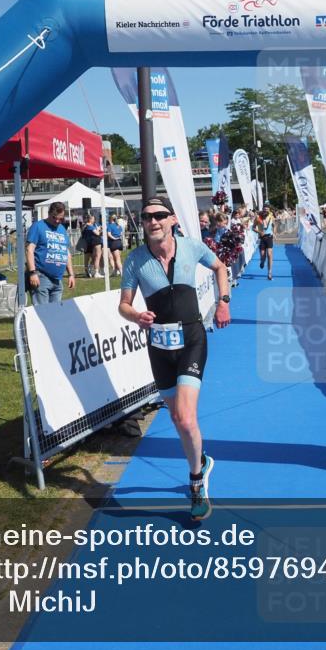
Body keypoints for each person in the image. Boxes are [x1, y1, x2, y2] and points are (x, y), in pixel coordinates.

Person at [119, 197, 231, 521]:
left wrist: (223, 301)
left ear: (171, 220)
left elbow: (220, 267)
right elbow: (123, 305)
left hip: (192, 338)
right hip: (159, 346)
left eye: (159, 216)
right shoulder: (135, 260)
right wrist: (136, 315)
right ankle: (202, 460)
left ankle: (196, 482)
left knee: (184, 417)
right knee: (176, 419)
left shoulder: (191, 247)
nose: (152, 221)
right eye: (146, 217)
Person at [26, 202, 76, 305]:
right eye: (54, 217)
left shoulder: (62, 229)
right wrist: (32, 272)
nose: (57, 221)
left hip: (57, 280)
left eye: (60, 219)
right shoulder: (38, 226)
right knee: (42, 313)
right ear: (49, 213)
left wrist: (71, 274)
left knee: (55, 314)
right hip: (41, 276)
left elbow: (66, 253)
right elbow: (29, 250)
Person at [255, 207, 275, 280]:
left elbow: (274, 225)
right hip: (262, 238)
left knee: (269, 254)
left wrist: (274, 233)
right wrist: (259, 232)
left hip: (269, 237)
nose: (266, 211)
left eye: (267, 209)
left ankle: (269, 273)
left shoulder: (271, 216)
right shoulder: (258, 218)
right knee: (263, 256)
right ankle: (262, 261)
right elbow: (253, 228)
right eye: (264, 209)